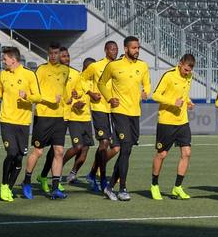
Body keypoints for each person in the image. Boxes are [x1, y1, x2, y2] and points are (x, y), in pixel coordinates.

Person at [99, 35, 152, 201]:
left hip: (135, 113)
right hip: (119, 111)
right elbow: (101, 84)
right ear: (126, 49)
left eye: (138, 48)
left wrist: (146, 92)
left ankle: (109, 187)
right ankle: (122, 189)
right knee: (126, 145)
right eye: (134, 48)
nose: (136, 50)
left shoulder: (143, 66)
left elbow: (147, 84)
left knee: (127, 151)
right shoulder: (113, 66)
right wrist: (109, 98)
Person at [0, 46, 40, 202]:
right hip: (6, 120)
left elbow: (38, 97)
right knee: (11, 153)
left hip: (23, 122)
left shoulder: (29, 74)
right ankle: (3, 185)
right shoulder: (3, 74)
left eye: (5, 59)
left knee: (19, 157)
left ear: (13, 59)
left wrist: (27, 96)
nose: (3, 61)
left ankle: (9, 187)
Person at [25, 45, 73, 200]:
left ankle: (55, 189)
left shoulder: (65, 70)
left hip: (59, 117)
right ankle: (26, 180)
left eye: (56, 53)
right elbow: (34, 93)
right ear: (48, 54)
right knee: (38, 151)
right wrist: (50, 100)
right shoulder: (41, 70)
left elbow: (63, 89)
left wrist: (68, 98)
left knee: (59, 151)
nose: (53, 56)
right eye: (51, 53)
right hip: (43, 116)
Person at [150, 53, 196, 200]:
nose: (188, 73)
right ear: (180, 64)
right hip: (166, 122)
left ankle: (177, 187)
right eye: (186, 70)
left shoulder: (189, 76)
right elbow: (155, 95)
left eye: (189, 70)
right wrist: (172, 101)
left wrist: (188, 102)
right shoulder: (169, 75)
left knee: (187, 153)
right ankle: (154, 185)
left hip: (183, 122)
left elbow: (184, 95)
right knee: (162, 154)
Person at [81, 40, 119, 192]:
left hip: (115, 110)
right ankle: (102, 178)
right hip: (99, 108)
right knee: (103, 143)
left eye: (116, 49)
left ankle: (91, 173)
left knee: (116, 148)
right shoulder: (95, 66)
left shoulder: (119, 66)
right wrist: (90, 93)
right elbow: (82, 79)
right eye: (111, 49)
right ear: (105, 50)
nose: (114, 52)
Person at [61, 55, 96, 187]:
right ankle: (59, 166)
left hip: (87, 119)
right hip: (74, 118)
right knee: (78, 147)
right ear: (85, 68)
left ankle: (73, 173)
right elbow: (72, 95)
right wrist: (75, 104)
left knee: (85, 149)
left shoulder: (93, 82)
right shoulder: (78, 79)